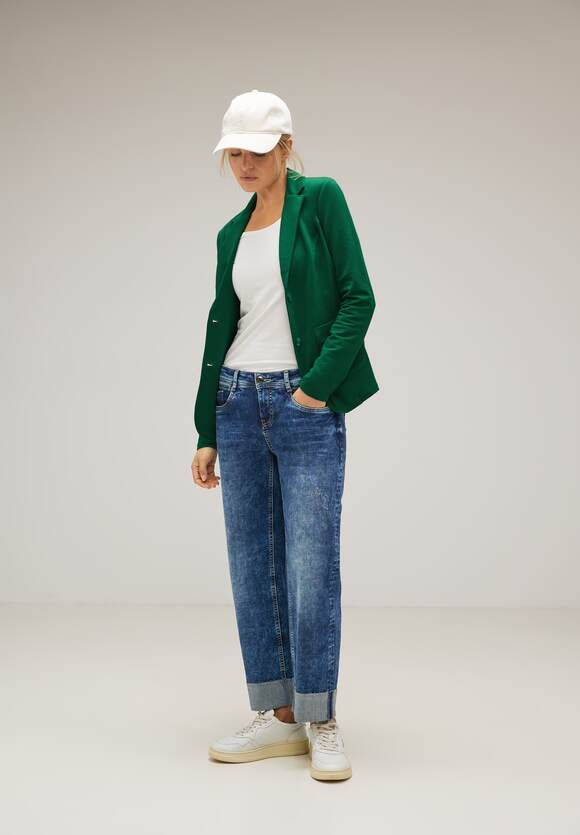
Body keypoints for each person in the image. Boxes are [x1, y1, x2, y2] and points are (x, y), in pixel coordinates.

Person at [191, 89, 379, 781]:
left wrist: (316, 387)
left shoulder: (320, 198)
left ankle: (319, 717)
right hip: (237, 401)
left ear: (286, 146)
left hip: (303, 401)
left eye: (257, 151)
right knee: (252, 562)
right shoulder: (230, 234)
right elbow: (222, 325)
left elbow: (359, 296)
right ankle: (277, 716)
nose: (244, 163)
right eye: (234, 153)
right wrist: (206, 426)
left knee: (310, 562)